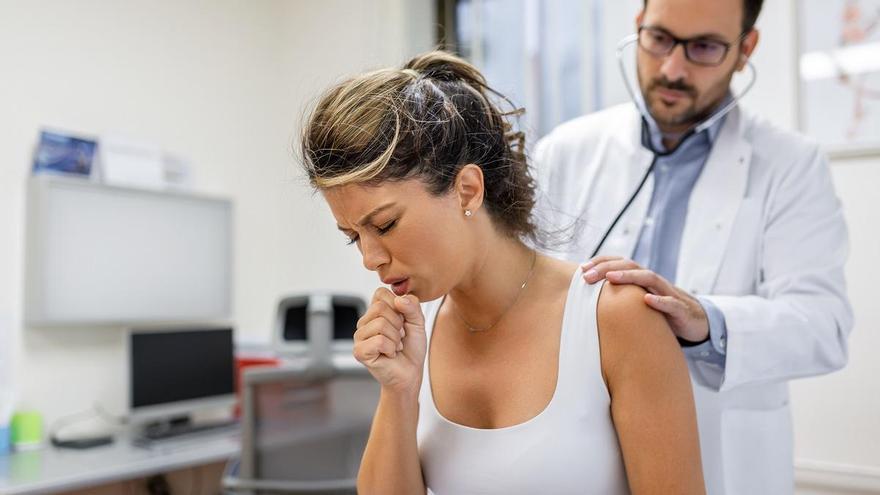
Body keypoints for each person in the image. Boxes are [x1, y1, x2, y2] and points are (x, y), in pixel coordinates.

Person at [299, 51, 705, 494]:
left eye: (385, 225)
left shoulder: (615, 318)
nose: (370, 258)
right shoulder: (413, 336)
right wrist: (398, 392)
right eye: (354, 236)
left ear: (467, 191)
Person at [532, 0, 854, 493]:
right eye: (659, 39)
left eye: (703, 47)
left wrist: (706, 320)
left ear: (745, 49)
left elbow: (824, 325)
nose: (673, 69)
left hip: (723, 459)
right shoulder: (565, 151)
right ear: (637, 26)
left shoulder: (791, 165)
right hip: (577, 453)